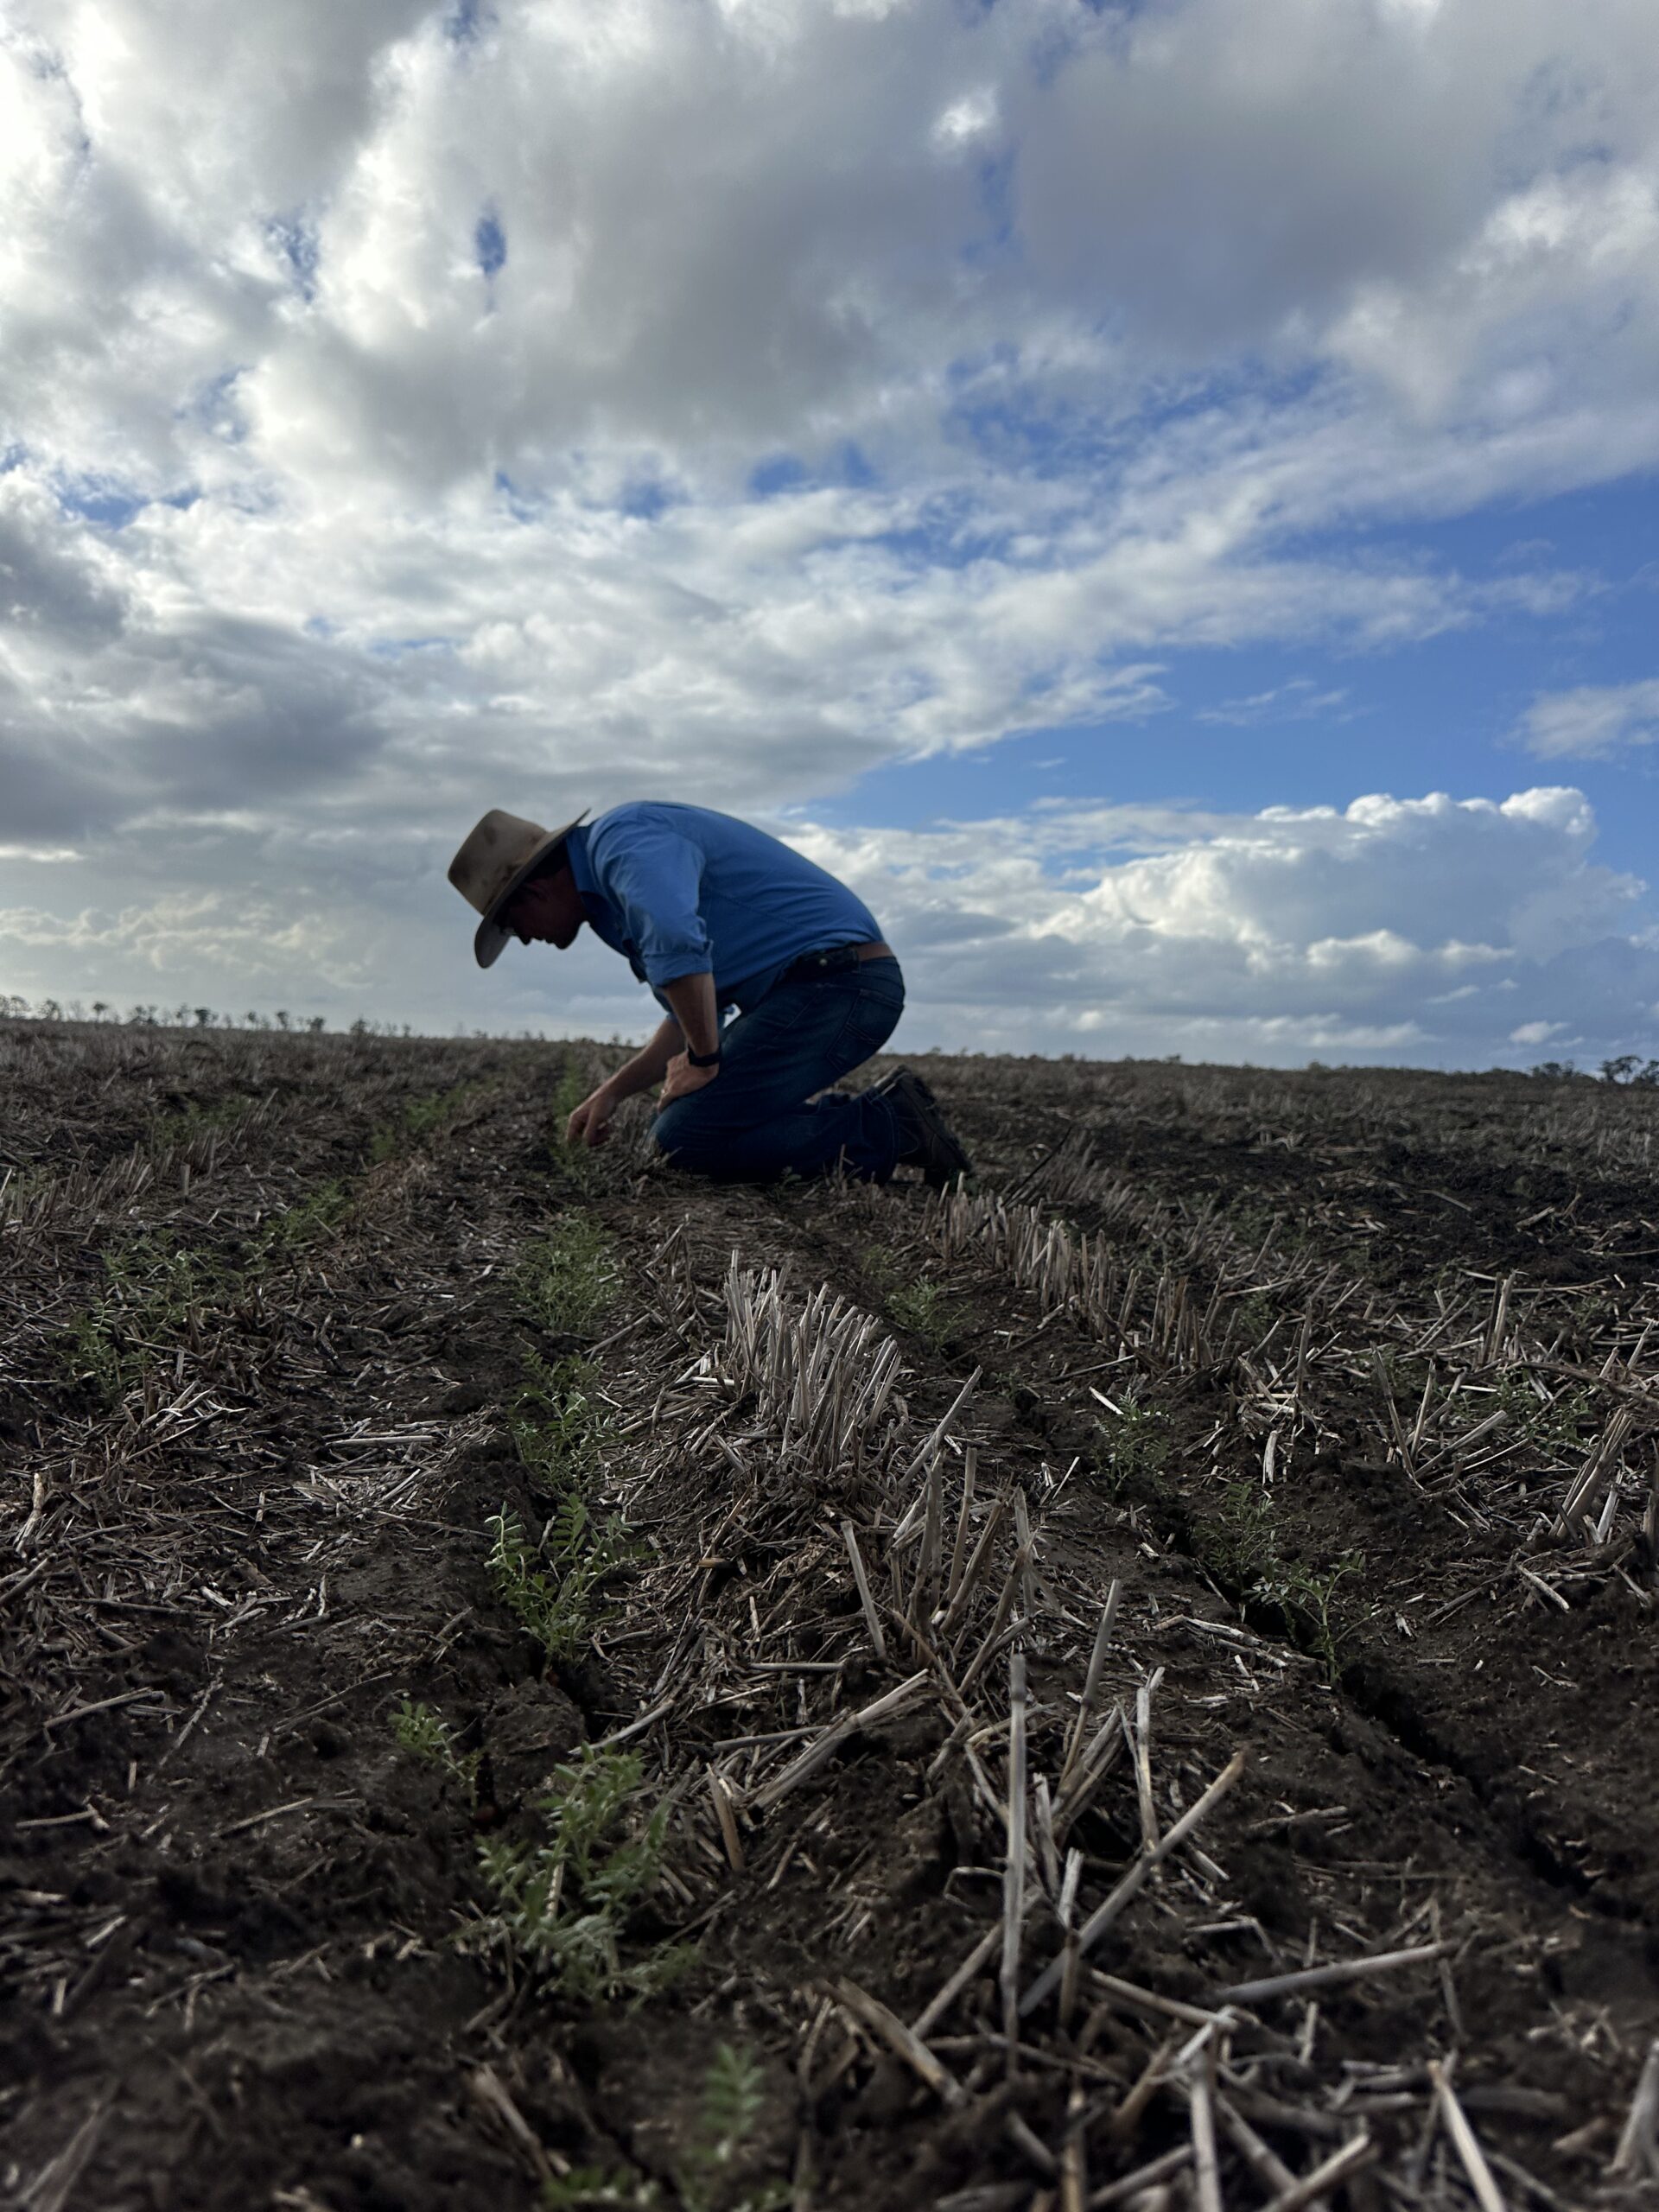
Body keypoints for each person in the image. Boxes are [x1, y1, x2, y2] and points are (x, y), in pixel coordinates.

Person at [448, 800, 972, 1185]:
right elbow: (685, 1018)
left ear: (534, 891)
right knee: (691, 1127)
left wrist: (704, 1057)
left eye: (515, 927)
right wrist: (611, 1092)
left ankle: (889, 1127)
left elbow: (678, 944)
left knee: (684, 1140)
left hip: (839, 984)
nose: (528, 940)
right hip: (821, 988)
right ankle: (886, 1117)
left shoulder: (623, 840)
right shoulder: (609, 902)